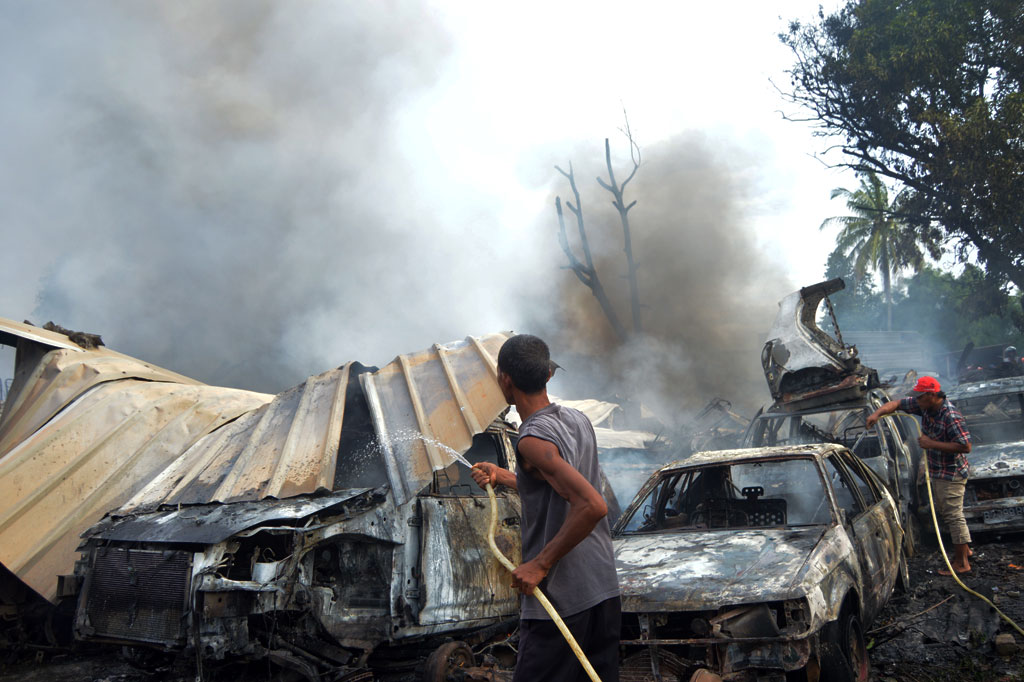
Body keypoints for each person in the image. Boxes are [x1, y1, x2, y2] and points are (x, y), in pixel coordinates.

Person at [470, 334, 620, 682]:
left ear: (505, 379)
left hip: (563, 598)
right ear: (548, 375)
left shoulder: (532, 439)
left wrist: (539, 563)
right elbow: (559, 484)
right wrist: (505, 476)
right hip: (601, 586)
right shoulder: (577, 420)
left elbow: (591, 505)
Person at [866, 375, 973, 574]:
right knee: (946, 512)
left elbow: (966, 446)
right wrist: (876, 414)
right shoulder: (925, 406)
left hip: (951, 474)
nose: (917, 401)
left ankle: (962, 564)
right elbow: (896, 404)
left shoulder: (950, 415)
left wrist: (931, 444)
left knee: (953, 516)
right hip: (938, 471)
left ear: (932, 395)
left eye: (920, 397)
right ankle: (965, 550)